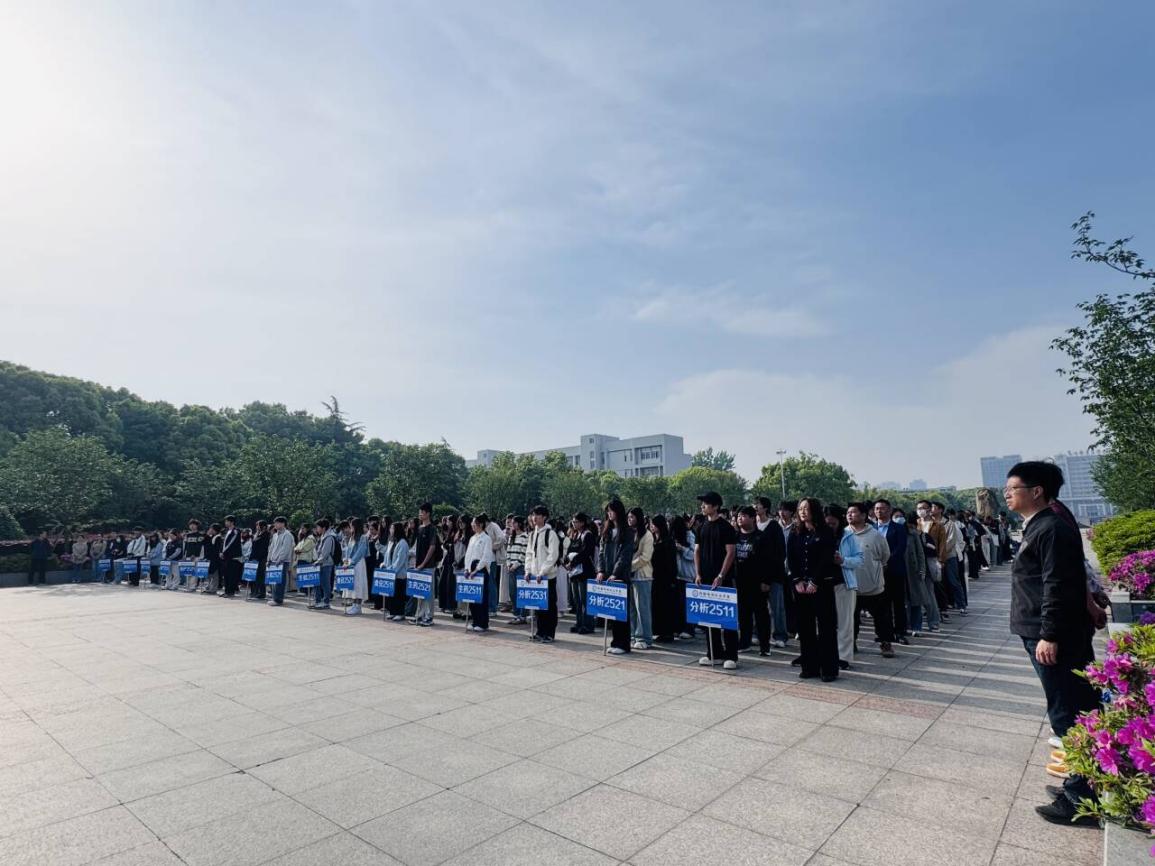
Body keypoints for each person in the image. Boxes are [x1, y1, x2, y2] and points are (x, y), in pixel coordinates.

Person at [1005, 461, 1100, 827]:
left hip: (1054, 635)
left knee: (1068, 709)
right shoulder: (1043, 525)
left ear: (1037, 491)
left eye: (1013, 488)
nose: (1008, 494)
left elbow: (1056, 585)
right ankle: (1080, 782)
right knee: (1070, 704)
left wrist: (1049, 634)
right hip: (1046, 630)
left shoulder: (1051, 527)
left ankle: (1081, 798)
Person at [787, 498, 840, 681]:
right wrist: (797, 580)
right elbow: (791, 558)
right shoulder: (795, 532)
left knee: (826, 627)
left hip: (821, 585)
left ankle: (829, 668)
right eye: (800, 509)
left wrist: (815, 581)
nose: (803, 512)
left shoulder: (825, 532)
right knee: (805, 627)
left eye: (806, 509)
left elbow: (826, 559)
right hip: (801, 587)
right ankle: (809, 666)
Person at [694, 491, 739, 670]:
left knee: (727, 617)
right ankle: (714, 653)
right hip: (704, 578)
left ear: (715, 506)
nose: (702, 506)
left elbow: (731, 552)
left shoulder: (726, 527)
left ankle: (732, 655)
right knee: (708, 617)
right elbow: (697, 551)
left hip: (722, 579)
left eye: (705, 503)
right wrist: (698, 573)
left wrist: (721, 575)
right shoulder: (701, 527)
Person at [735, 505, 785, 657]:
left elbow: (769, 561)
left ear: (752, 518)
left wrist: (766, 581)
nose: (739, 519)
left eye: (743, 516)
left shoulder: (761, 537)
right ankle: (744, 642)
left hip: (758, 583)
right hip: (740, 582)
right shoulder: (735, 537)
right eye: (738, 517)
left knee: (761, 615)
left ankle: (765, 646)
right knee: (743, 614)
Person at [848, 502, 895, 659]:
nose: (849, 515)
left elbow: (885, 556)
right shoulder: (843, 534)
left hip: (874, 586)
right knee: (851, 618)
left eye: (853, 512)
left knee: (882, 617)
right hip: (852, 586)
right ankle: (851, 642)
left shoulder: (875, 535)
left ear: (863, 515)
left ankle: (886, 643)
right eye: (848, 512)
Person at [597, 499, 635, 654]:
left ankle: (623, 644)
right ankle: (615, 641)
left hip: (620, 577)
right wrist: (601, 570)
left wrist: (615, 573)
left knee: (621, 611)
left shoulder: (627, 532)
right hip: (607, 575)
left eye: (611, 510)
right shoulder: (606, 531)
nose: (609, 513)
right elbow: (600, 552)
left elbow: (625, 556)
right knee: (611, 610)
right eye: (607, 511)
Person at [828, 505, 861, 670]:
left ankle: (844, 657)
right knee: (826, 623)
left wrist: (843, 561)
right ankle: (828, 654)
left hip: (844, 583)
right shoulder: (818, 535)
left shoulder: (849, 536)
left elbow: (859, 559)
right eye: (827, 523)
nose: (830, 526)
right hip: (823, 585)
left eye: (833, 523)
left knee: (845, 622)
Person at [872, 499, 909, 643]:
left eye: (882, 508)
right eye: (876, 509)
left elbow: (900, 549)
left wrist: (886, 561)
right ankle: (884, 632)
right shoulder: (871, 528)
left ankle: (900, 632)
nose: (879, 511)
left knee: (898, 603)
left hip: (894, 570)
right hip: (877, 572)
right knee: (881, 604)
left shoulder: (898, 528)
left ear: (889, 510)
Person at [524, 505, 561, 642]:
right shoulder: (533, 534)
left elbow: (553, 556)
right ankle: (540, 632)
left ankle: (549, 633)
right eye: (533, 515)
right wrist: (528, 571)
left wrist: (542, 572)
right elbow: (529, 554)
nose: (534, 518)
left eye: (537, 515)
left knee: (550, 606)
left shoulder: (550, 534)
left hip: (547, 577)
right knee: (539, 606)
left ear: (544, 517)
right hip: (535, 577)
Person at [905, 515, 940, 636]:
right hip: (909, 573)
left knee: (928, 597)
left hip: (924, 571)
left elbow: (933, 551)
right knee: (912, 600)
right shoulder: (902, 535)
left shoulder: (923, 536)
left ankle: (933, 621)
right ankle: (911, 624)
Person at [649, 515, 679, 643]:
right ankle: (659, 631)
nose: (651, 526)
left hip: (665, 578)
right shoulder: (653, 540)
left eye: (653, 524)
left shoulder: (668, 541)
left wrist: (672, 579)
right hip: (654, 576)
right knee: (657, 605)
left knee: (666, 605)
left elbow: (672, 562)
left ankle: (667, 633)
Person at [410, 504, 441, 626]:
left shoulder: (432, 529)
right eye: (420, 512)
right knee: (419, 591)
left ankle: (429, 617)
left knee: (428, 592)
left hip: (428, 566)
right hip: (419, 565)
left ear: (428, 513)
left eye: (422, 512)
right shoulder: (419, 528)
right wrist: (417, 564)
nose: (420, 514)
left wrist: (423, 563)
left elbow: (432, 547)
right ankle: (419, 615)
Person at [628, 507, 654, 650]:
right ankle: (633, 634)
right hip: (630, 576)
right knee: (632, 607)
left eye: (632, 517)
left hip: (642, 576)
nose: (630, 519)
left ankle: (645, 637)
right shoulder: (630, 533)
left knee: (642, 608)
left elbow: (645, 557)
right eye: (628, 517)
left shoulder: (647, 535)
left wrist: (629, 566)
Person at [464, 514, 495, 631]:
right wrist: (467, 569)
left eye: (474, 523)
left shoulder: (486, 538)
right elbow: (468, 555)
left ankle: (482, 623)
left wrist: (476, 570)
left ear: (480, 524)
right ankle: (475, 621)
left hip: (481, 570)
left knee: (481, 597)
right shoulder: (472, 538)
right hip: (471, 569)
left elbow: (486, 557)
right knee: (472, 597)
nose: (472, 525)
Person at [670, 515, 697, 640]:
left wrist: (682, 548)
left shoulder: (690, 536)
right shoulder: (672, 537)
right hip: (676, 574)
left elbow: (693, 555)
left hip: (687, 574)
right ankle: (678, 627)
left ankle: (689, 629)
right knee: (677, 604)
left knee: (687, 603)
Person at [382, 521, 411, 621]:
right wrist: (385, 565)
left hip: (399, 574)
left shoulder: (403, 543)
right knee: (392, 594)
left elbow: (400, 560)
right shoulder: (392, 541)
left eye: (392, 528)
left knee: (399, 594)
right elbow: (387, 555)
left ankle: (400, 613)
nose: (390, 530)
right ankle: (392, 612)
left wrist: (391, 570)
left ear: (397, 530)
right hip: (391, 573)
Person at [341, 518, 369, 616]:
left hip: (358, 564)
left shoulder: (363, 537)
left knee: (358, 584)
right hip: (351, 563)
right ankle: (354, 604)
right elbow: (348, 550)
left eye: (352, 525)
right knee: (353, 585)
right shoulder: (352, 537)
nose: (350, 528)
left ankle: (358, 605)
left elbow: (360, 552)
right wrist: (345, 560)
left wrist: (351, 562)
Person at [505, 517, 530, 625]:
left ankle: (523, 615)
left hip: (520, 567)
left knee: (521, 592)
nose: (512, 525)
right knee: (512, 592)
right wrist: (508, 564)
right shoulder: (511, 537)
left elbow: (523, 554)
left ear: (519, 524)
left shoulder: (525, 537)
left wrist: (515, 565)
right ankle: (516, 614)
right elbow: (508, 552)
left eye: (514, 523)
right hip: (511, 567)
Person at [266, 517, 294, 606]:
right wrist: (269, 559)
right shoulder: (275, 535)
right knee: (274, 581)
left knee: (280, 582)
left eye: (277, 523)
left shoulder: (287, 535)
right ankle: (275, 598)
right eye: (275, 523)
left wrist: (280, 559)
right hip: (273, 561)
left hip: (282, 562)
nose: (275, 525)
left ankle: (278, 599)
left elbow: (285, 549)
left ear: (283, 524)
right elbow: (271, 548)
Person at [310, 519, 337, 610]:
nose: (316, 529)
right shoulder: (322, 536)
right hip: (319, 563)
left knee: (325, 584)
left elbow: (325, 553)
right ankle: (318, 601)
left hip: (326, 564)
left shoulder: (329, 537)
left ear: (323, 528)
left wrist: (318, 561)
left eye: (318, 527)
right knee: (317, 583)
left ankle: (326, 602)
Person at [219, 516, 243, 598]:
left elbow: (231, 543)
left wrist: (223, 552)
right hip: (226, 556)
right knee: (226, 575)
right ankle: (226, 591)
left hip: (233, 557)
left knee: (232, 575)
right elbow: (224, 543)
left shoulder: (236, 531)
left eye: (227, 521)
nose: (225, 523)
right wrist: (221, 552)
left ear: (232, 522)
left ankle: (230, 592)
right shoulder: (227, 531)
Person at [248, 521, 270, 600]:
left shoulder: (266, 535)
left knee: (261, 576)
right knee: (254, 576)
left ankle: (261, 593)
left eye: (258, 525)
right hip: (254, 557)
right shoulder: (257, 534)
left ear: (263, 526)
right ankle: (254, 592)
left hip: (261, 558)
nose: (257, 527)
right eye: (256, 525)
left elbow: (264, 548)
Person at [181, 520, 205, 591]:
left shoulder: (200, 535)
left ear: (197, 526)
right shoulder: (187, 535)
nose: (192, 526)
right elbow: (185, 546)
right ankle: (188, 585)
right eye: (191, 524)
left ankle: (193, 586)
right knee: (188, 571)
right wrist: (184, 555)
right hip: (188, 556)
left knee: (194, 571)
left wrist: (194, 554)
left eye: (194, 524)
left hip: (196, 556)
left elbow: (199, 546)